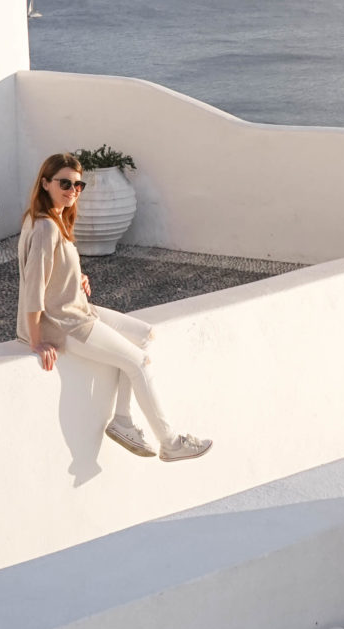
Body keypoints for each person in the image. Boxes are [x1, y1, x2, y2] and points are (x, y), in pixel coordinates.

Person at [17, 152, 212, 462]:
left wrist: (75, 276)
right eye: (64, 183)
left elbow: (51, 267)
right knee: (139, 362)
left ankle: (122, 420)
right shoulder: (45, 228)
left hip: (79, 309)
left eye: (78, 185)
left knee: (145, 334)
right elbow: (33, 286)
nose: (72, 190)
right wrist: (37, 339)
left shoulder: (51, 218)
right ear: (45, 183)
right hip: (65, 324)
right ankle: (170, 442)